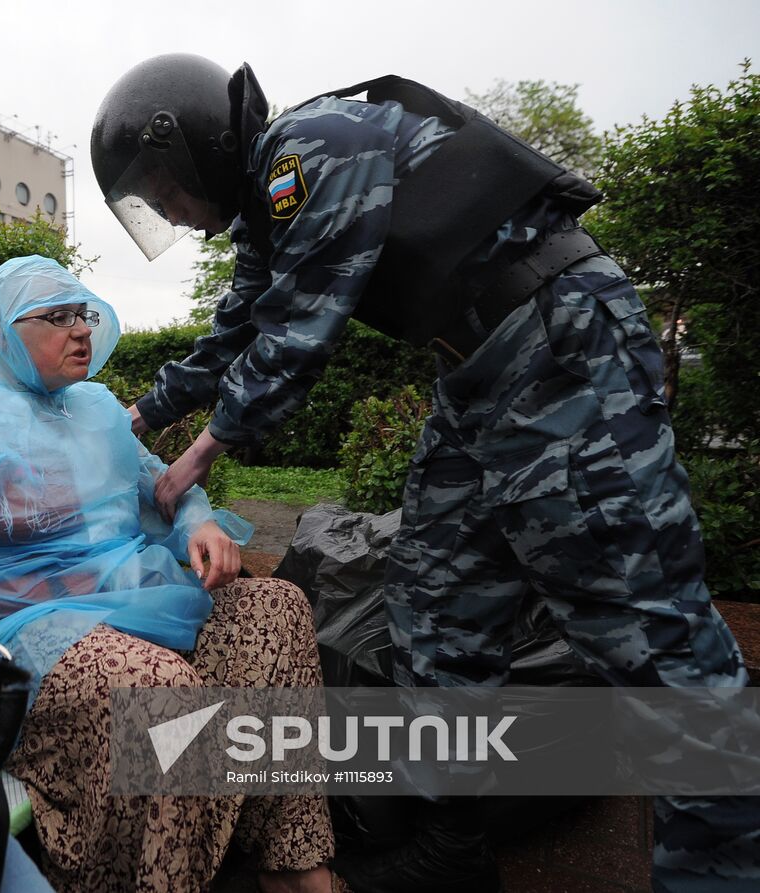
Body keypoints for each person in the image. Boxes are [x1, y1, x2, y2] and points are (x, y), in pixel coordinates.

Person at [90, 55, 755, 892]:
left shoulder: (308, 148)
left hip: (560, 345)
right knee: (437, 606)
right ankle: (454, 849)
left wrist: (199, 453)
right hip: (476, 377)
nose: (176, 216)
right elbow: (237, 330)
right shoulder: (267, 214)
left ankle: (721, 868)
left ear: (193, 144)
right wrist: (139, 416)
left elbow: (300, 329)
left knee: (651, 633)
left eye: (167, 190)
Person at [0, 255, 336, 893]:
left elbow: (159, 482)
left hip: (130, 595)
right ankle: (153, 874)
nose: (80, 330)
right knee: (157, 691)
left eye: (83, 313)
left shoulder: (98, 410)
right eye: (55, 317)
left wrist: (197, 523)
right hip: (9, 631)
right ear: (1, 332)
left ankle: (293, 864)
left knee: (275, 609)